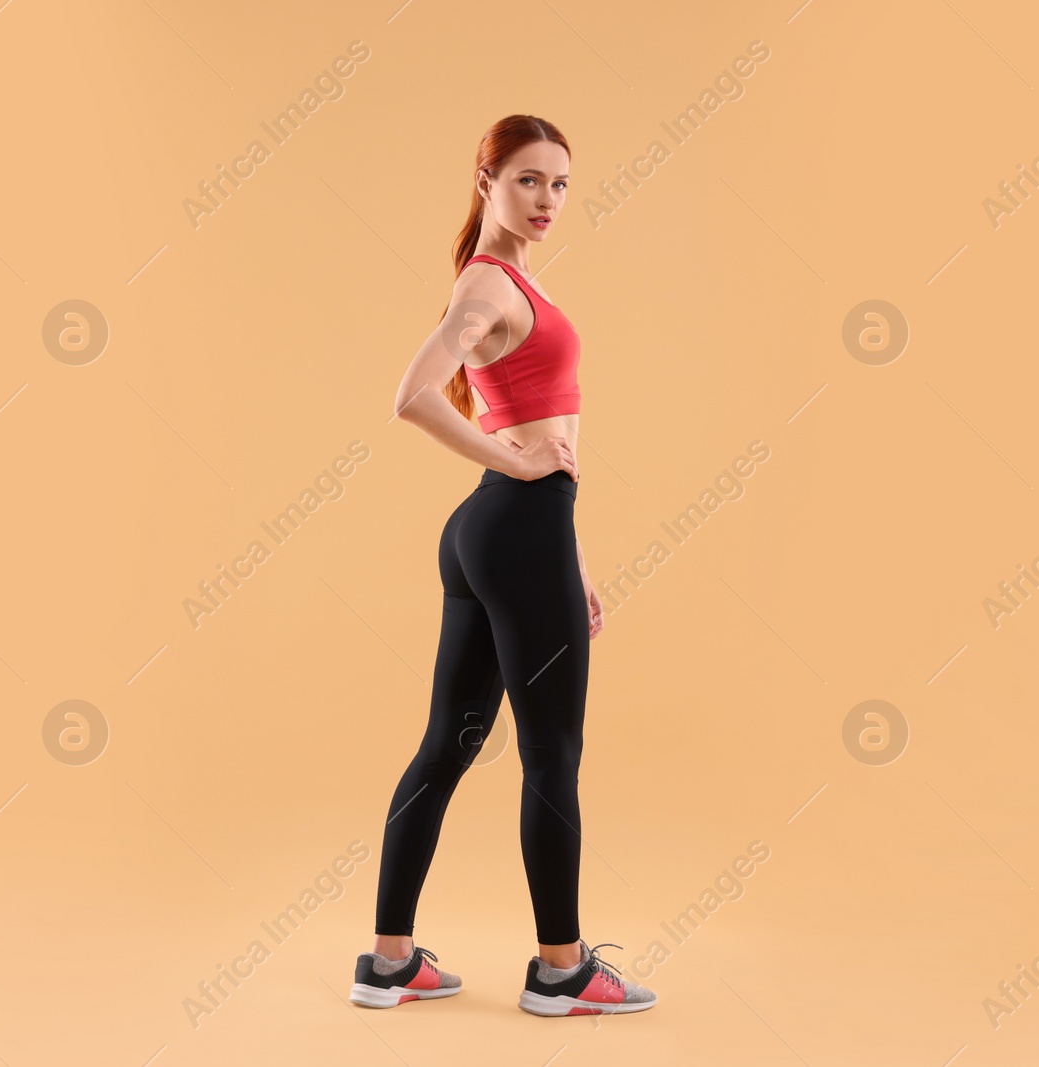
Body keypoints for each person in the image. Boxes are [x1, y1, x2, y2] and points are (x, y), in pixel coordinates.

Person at [348, 115, 656, 1017]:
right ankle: (562, 968)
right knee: (551, 752)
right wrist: (521, 471)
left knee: (449, 743)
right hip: (515, 526)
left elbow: (535, 423)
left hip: (498, 535)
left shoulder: (508, 280)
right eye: (528, 180)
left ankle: (388, 960)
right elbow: (413, 397)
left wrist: (574, 553)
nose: (548, 199)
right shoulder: (488, 286)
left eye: (560, 183)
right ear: (485, 182)